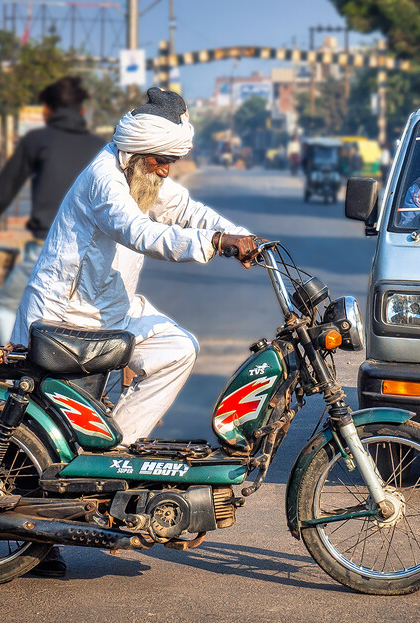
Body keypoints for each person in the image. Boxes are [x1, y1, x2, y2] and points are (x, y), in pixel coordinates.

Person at [13, 86, 257, 449]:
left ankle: (114, 450)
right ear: (136, 152)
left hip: (114, 310)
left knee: (178, 348)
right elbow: (137, 231)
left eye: (169, 162)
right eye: (160, 161)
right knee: (35, 432)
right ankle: (94, 457)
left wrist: (242, 236)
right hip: (67, 318)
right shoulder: (105, 178)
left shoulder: (141, 173)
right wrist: (214, 243)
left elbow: (187, 210)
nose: (165, 171)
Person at [0, 77, 105, 342]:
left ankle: (14, 368)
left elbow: (3, 191)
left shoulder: (37, 140)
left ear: (47, 110)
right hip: (94, 256)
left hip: (47, 250)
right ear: (83, 111)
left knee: (5, 307)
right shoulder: (101, 148)